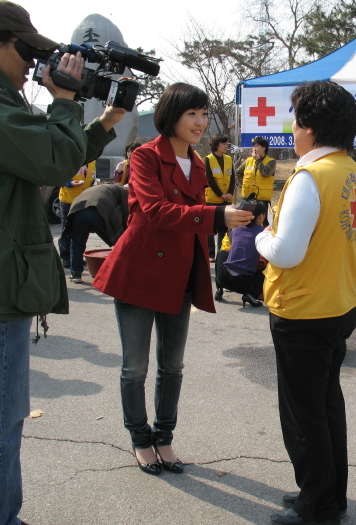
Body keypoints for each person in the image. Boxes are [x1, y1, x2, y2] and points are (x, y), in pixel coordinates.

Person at [0, 1, 124, 523]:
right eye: (27, 51)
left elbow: (47, 155)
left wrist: (106, 121)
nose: (34, 64)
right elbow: (48, 157)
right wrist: (64, 100)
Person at [92, 83, 253, 477]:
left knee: (173, 365)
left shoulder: (198, 164)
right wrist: (216, 217)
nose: (200, 123)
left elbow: (191, 220)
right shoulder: (146, 156)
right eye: (192, 115)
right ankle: (139, 438)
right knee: (135, 366)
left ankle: (164, 437)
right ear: (172, 117)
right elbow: (154, 211)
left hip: (180, 274)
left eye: (203, 114)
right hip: (139, 272)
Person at [255, 81, 356, 525]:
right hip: (339, 303)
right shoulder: (353, 172)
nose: (293, 129)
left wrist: (262, 235)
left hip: (302, 309)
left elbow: (286, 252)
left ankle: (315, 507)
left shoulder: (310, 177)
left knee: (303, 415)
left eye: (297, 120)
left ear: (310, 127)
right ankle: (328, 493)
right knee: (326, 407)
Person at [58, 183, 129, 283]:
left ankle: (76, 274)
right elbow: (127, 212)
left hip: (77, 209)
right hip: (97, 209)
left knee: (77, 242)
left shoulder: (104, 187)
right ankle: (123, 270)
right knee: (118, 242)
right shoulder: (124, 191)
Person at [214, 200, 267, 307]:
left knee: (222, 254)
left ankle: (219, 289)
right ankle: (251, 294)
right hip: (245, 283)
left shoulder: (235, 228)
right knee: (266, 265)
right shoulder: (264, 232)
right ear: (261, 216)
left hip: (225, 278)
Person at [58, 164, 94, 267]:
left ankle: (76, 257)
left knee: (82, 230)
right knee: (67, 230)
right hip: (68, 200)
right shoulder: (73, 158)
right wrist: (70, 183)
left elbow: (92, 177)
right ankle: (65, 256)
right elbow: (60, 178)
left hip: (84, 200)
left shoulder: (93, 162)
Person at [205, 134, 235, 258]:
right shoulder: (208, 159)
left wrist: (229, 193)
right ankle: (211, 253)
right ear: (217, 144)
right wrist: (220, 194)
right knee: (210, 228)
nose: (226, 146)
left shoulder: (228, 159)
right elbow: (209, 179)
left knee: (224, 228)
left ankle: (222, 253)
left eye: (226, 144)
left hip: (226, 199)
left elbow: (232, 177)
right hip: (212, 198)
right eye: (224, 144)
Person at [236, 136, 276, 212]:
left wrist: (258, 160)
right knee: (245, 222)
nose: (254, 149)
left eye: (257, 146)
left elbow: (265, 173)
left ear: (264, 148)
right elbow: (238, 172)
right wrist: (244, 184)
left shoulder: (271, 161)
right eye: (253, 147)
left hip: (262, 200)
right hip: (248, 199)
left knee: (262, 223)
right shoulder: (248, 160)